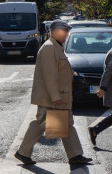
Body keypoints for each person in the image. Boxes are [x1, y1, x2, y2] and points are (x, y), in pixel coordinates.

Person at [14, 20, 93, 166]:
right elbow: (49, 76)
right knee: (41, 124)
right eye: (66, 32)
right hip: (52, 98)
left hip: (59, 96)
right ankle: (22, 152)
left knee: (66, 124)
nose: (67, 35)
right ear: (57, 32)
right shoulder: (50, 49)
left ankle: (75, 155)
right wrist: (55, 96)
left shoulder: (56, 48)